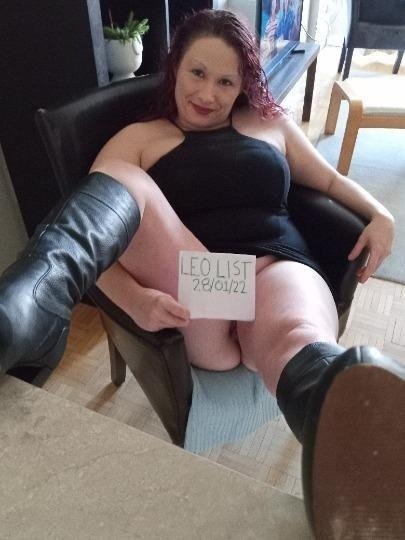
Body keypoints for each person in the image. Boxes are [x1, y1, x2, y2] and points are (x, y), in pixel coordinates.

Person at [0, 9, 403, 537]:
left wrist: (380, 212)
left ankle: (359, 462)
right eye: (197, 73)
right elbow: (98, 240)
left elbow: (327, 180)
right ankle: (24, 311)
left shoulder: (270, 124)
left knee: (297, 337)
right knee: (119, 180)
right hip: (200, 286)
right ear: (175, 68)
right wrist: (134, 299)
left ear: (243, 84)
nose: (208, 94)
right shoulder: (140, 138)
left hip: (278, 270)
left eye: (226, 82)